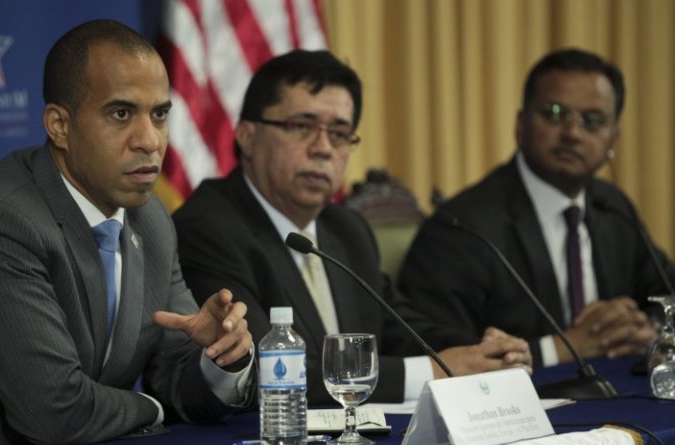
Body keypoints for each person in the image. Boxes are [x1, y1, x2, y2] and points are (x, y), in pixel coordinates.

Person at [0, 20, 254, 445]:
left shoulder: (150, 219)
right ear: (60, 126)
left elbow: (176, 374)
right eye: (121, 113)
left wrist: (219, 361)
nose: (149, 140)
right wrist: (154, 408)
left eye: (159, 114)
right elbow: (54, 411)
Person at [173, 49, 532, 405]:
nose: (323, 149)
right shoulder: (208, 229)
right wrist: (433, 371)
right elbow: (268, 370)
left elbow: (400, 329)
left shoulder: (346, 229)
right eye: (301, 127)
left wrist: (483, 353)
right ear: (247, 136)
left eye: (340, 133)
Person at [398, 48, 675, 368]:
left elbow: (665, 292)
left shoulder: (612, 207)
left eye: (592, 121)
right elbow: (441, 352)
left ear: (613, 139)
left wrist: (645, 327)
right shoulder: (461, 227)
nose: (572, 133)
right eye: (554, 113)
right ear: (521, 125)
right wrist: (559, 348)